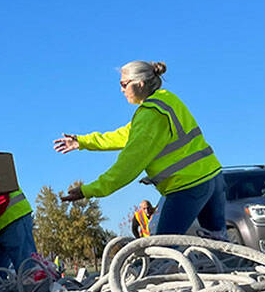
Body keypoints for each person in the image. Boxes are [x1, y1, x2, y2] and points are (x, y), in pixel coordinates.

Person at [52, 61, 225, 236]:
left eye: (123, 84)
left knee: (164, 249)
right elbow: (121, 135)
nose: (121, 90)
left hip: (187, 185)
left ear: (140, 83)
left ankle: (166, 263)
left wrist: (88, 190)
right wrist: (82, 141)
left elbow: (127, 166)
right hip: (213, 176)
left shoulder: (151, 115)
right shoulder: (166, 100)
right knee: (220, 245)